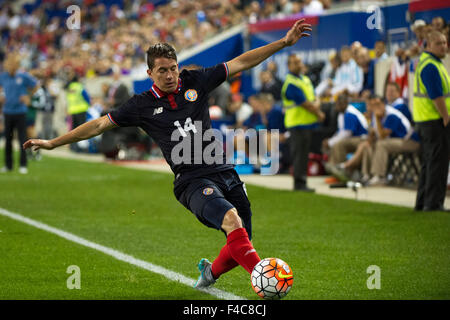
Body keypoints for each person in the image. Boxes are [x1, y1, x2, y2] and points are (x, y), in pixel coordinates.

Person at [23, 19, 312, 288]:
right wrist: (53, 143)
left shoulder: (196, 81)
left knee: (241, 238)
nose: (171, 74)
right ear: (150, 73)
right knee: (232, 222)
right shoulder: (140, 105)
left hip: (224, 171)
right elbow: (99, 124)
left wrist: (283, 43)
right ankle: (265, 278)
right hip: (192, 182)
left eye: (173, 67)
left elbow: (240, 63)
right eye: (162, 70)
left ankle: (210, 273)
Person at [412, 31, 450, 212]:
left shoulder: (428, 62)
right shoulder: (431, 66)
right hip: (434, 120)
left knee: (429, 163)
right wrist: (446, 116)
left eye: (444, 42)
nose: (444, 46)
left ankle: (423, 203)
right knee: (438, 163)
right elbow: (437, 96)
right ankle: (433, 204)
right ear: (428, 45)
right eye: (439, 43)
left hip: (425, 120)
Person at [281, 54, 325, 191]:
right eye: (295, 63)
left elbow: (314, 97)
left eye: (299, 62)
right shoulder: (290, 84)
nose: (299, 65)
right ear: (289, 66)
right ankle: (299, 183)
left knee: (304, 154)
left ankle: (302, 181)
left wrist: (317, 105)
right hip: (296, 124)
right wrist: (318, 112)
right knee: (299, 155)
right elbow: (307, 104)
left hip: (306, 123)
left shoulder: (304, 79)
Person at [0, 54, 38, 174]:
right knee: (8, 140)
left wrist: (28, 96)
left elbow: (36, 85)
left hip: (20, 112)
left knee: (22, 139)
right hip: (7, 111)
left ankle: (23, 165)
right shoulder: (3, 76)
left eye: (13, 64)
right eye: (9, 64)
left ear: (17, 66)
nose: (10, 66)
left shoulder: (23, 76)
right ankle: (8, 165)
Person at [322, 91, 368, 165]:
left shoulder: (350, 113)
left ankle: (340, 167)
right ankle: (332, 166)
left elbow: (347, 134)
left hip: (362, 138)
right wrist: (330, 140)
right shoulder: (341, 114)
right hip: (353, 138)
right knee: (334, 143)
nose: (338, 106)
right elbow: (340, 132)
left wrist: (331, 142)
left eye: (341, 104)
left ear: (346, 103)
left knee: (339, 144)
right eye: (337, 104)